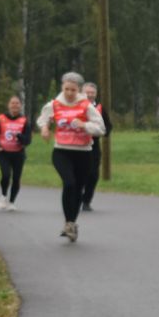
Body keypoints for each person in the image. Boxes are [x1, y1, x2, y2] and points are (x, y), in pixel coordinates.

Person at [36, 72, 105, 243]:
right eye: (66, 89)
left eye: (73, 90)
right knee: (69, 183)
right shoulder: (55, 104)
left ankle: (72, 224)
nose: (69, 93)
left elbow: (101, 128)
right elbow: (42, 119)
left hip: (84, 153)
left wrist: (85, 125)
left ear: (79, 90)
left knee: (78, 189)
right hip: (62, 151)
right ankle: (68, 223)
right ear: (62, 87)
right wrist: (44, 128)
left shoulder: (86, 106)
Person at [0, 95, 30, 211]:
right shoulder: (1, 119)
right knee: (6, 175)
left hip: (18, 154)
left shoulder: (24, 120)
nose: (15, 105)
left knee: (16, 178)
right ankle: (3, 196)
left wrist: (20, 137)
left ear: (20, 106)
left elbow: (28, 140)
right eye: (12, 103)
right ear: (8, 105)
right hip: (4, 153)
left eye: (17, 103)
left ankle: (12, 202)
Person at [80, 82, 110, 212]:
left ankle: (86, 201)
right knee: (79, 174)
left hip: (94, 146)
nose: (90, 95)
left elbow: (108, 126)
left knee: (93, 175)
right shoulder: (75, 107)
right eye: (87, 92)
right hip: (78, 146)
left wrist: (101, 132)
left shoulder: (100, 109)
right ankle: (77, 195)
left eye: (92, 93)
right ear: (82, 93)